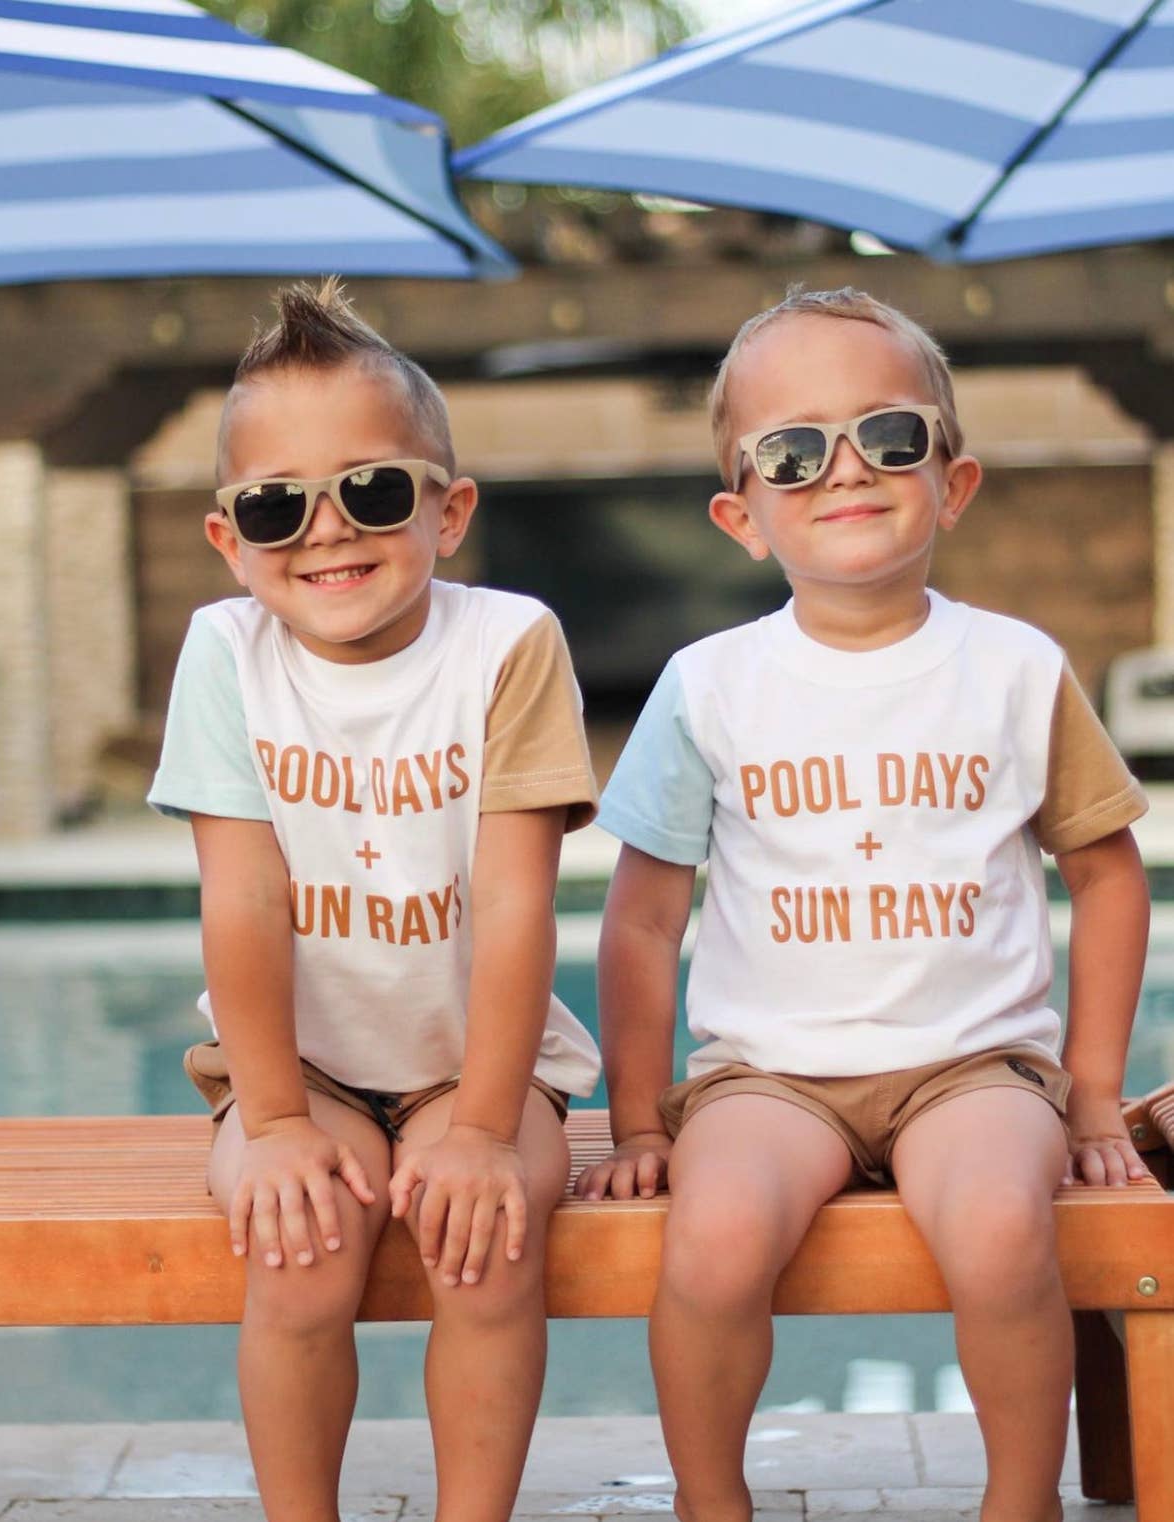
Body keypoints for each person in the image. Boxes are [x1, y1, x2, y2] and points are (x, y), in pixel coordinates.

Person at [576, 287, 1151, 1522]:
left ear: (954, 480)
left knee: (1001, 1227)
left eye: (889, 436)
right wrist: (636, 1119)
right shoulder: (709, 684)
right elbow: (642, 922)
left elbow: (1108, 877)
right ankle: (711, 1502)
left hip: (974, 1067)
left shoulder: (1017, 669)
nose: (845, 468)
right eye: (793, 451)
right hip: (768, 1077)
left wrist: (1095, 1091)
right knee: (714, 1238)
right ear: (741, 514)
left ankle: (1020, 1503)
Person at [148, 279, 600, 1522]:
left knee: (488, 1248)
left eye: (376, 491)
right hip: (299, 1067)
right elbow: (243, 900)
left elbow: (515, 906)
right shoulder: (226, 653)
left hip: (481, 1066)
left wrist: (484, 1129)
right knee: (298, 1253)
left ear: (449, 510)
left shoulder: (509, 644)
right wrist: (277, 1121)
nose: (327, 530)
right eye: (277, 504)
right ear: (230, 537)